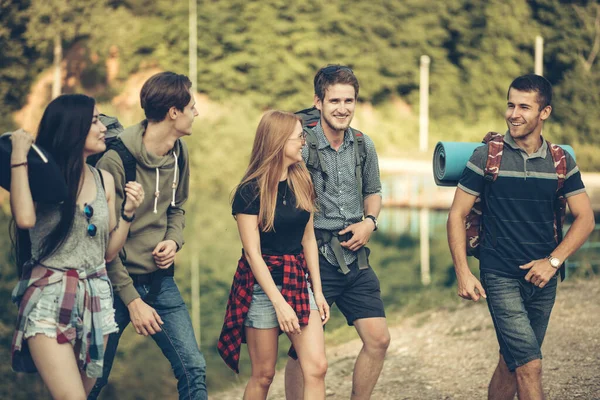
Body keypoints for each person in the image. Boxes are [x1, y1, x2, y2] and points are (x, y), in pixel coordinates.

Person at [447, 74, 595, 400]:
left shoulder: (561, 161)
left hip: (544, 277)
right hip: (499, 273)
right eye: (510, 104)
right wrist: (463, 271)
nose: (513, 113)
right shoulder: (486, 156)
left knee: (511, 362)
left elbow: (585, 219)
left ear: (544, 113)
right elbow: (456, 214)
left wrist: (553, 262)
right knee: (530, 366)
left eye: (524, 107)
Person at [9, 93, 144, 399]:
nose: (103, 128)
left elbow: (108, 252)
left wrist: (128, 213)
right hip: (50, 298)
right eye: (95, 120)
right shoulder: (43, 174)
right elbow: (25, 218)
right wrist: (19, 156)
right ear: (74, 127)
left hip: (96, 296)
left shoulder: (104, 179)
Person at [87, 72, 207, 399]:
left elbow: (176, 208)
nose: (196, 112)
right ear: (173, 112)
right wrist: (132, 301)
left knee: (193, 368)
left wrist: (173, 240)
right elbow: (101, 246)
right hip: (114, 285)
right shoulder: (115, 162)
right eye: (191, 106)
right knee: (92, 380)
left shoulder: (180, 153)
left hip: (160, 281)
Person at [285, 65, 390, 400]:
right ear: (318, 102)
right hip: (312, 258)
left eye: (349, 100)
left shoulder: (362, 144)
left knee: (378, 340)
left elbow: (373, 191)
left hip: (354, 256)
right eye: (334, 101)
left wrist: (369, 223)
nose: (343, 108)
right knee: (302, 353)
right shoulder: (301, 145)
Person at [218, 110, 330, 400]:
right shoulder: (249, 191)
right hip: (260, 287)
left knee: (317, 367)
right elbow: (253, 254)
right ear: (279, 142)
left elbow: (308, 239)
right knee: (264, 375)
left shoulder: (302, 181)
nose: (304, 142)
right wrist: (279, 304)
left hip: (297, 280)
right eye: (299, 137)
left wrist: (317, 291)